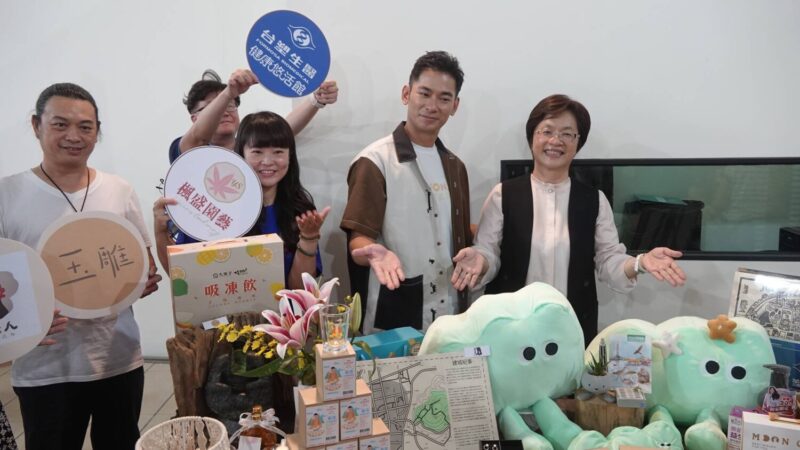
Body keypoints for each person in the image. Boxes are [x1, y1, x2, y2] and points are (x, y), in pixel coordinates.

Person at [0, 83, 161, 450]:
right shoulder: (7, 195)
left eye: (85, 127)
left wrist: (140, 281)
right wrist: (22, 326)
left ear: (97, 131)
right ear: (36, 125)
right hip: (43, 368)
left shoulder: (118, 189)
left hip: (118, 358)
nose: (74, 136)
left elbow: (142, 262)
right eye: (60, 124)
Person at [451, 94, 686, 344]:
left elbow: (609, 260)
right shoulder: (503, 195)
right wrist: (480, 261)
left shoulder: (594, 200)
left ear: (577, 143)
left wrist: (640, 263)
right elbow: (488, 252)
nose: (555, 141)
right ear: (532, 138)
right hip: (510, 327)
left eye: (567, 134)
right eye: (547, 131)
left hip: (570, 328)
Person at [340, 51, 471, 333]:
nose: (432, 106)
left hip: (451, 312)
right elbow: (358, 240)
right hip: (394, 307)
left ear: (455, 106)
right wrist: (373, 253)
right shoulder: (374, 161)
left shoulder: (455, 166)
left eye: (444, 98)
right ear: (406, 94)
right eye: (424, 93)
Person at [155, 111, 329, 290]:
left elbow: (299, 290)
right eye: (257, 152)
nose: (267, 161)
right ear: (241, 155)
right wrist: (160, 232)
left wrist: (308, 238)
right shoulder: (213, 209)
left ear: (290, 156)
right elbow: (183, 278)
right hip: (223, 307)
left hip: (283, 308)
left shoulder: (300, 209)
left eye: (278, 152)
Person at [168, 69, 338, 163]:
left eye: (230, 105)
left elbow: (284, 129)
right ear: (195, 119)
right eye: (214, 107)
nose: (225, 112)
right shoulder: (186, 150)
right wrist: (227, 94)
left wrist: (316, 100)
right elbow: (198, 137)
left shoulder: (249, 148)